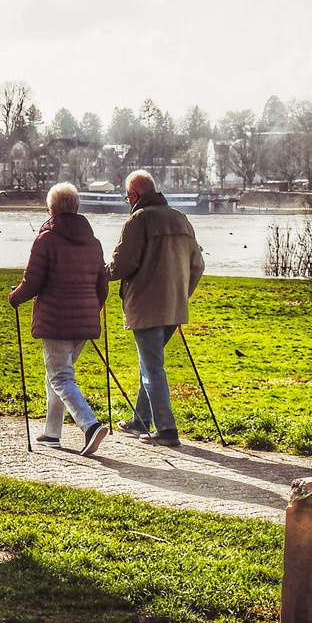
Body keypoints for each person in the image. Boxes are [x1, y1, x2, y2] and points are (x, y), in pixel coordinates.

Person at [6, 182, 111, 456]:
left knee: (61, 377)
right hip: (85, 321)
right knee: (59, 375)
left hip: (56, 319)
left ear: (51, 208)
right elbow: (102, 285)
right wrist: (92, 308)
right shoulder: (94, 241)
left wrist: (15, 297)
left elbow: (32, 281)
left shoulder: (46, 239)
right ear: (76, 207)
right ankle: (52, 433)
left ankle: (90, 426)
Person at [107, 170, 205, 448]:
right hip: (175, 306)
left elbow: (123, 264)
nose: (128, 201)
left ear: (135, 195)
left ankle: (166, 429)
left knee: (152, 367)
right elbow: (198, 265)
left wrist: (100, 275)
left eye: (128, 196)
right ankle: (141, 420)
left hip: (147, 306)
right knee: (150, 362)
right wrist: (182, 295)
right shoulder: (180, 218)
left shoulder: (138, 220)